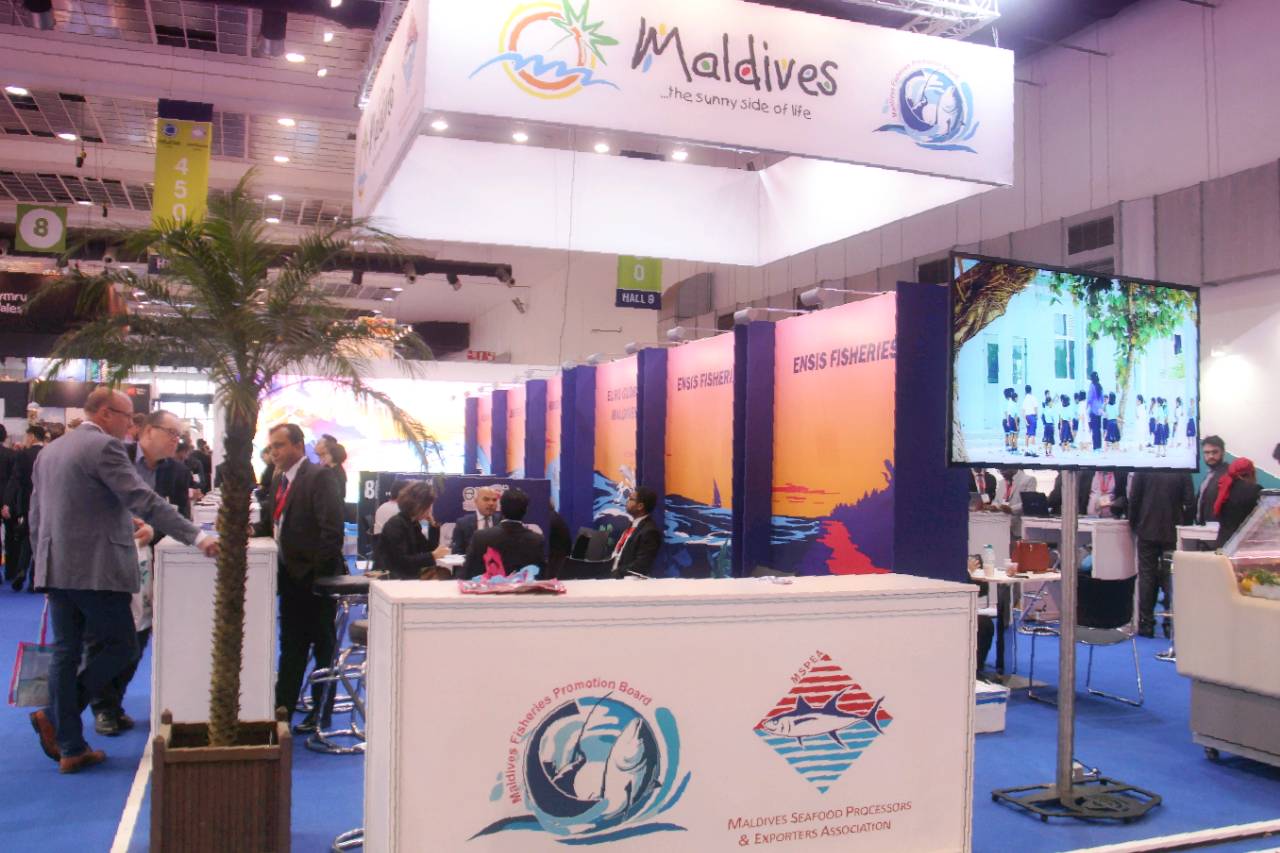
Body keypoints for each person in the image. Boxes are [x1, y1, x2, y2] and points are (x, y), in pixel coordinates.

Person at [27, 388, 218, 773]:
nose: (131, 424)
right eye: (126, 416)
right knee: (123, 646)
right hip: (96, 570)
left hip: (56, 566)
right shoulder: (105, 447)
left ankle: (71, 746)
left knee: (67, 652)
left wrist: (41, 561)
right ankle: (56, 716)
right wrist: (197, 536)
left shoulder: (50, 451)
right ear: (103, 413)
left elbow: (38, 513)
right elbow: (143, 499)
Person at [89, 409, 191, 735]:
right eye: (171, 433)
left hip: (149, 563)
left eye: (179, 435)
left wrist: (154, 532)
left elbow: (180, 517)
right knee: (107, 638)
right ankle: (102, 707)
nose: (176, 440)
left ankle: (114, 701)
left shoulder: (177, 471)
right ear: (147, 430)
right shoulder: (115, 457)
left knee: (138, 637)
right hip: (108, 560)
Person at [253, 422, 345, 734]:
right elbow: (275, 522)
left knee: (322, 647)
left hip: (315, 582)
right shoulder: (280, 478)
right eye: (271, 447)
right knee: (291, 646)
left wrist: (316, 577)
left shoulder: (319, 477)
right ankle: (282, 711)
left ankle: (321, 712)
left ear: (297, 445)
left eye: (279, 446)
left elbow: (332, 531)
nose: (274, 453)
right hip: (289, 579)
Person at [1127, 470, 1195, 638]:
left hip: (1146, 529)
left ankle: (1146, 623)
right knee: (1171, 577)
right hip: (1173, 531)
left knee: (1146, 576)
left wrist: (1134, 525)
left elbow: (1134, 500)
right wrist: (1184, 526)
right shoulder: (1182, 470)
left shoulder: (1144, 468)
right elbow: (1189, 502)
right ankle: (1169, 622)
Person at [464, 488, 547, 579]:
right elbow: (542, 576)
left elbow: (467, 573)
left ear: (501, 508)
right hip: (524, 587)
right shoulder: (537, 540)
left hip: (487, 587)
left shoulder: (480, 537)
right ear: (526, 510)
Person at [3, 424, 47, 591]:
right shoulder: (49, 453)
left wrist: (8, 502)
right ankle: (35, 578)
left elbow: (15, 479)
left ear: (32, 436)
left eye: (27, 436)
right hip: (47, 502)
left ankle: (21, 569)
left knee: (27, 536)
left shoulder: (23, 455)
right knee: (42, 539)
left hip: (27, 502)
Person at [376, 481, 449, 580]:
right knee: (442, 576)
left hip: (407, 573)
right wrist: (432, 556)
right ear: (419, 506)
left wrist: (433, 526)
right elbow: (402, 561)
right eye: (429, 506)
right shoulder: (396, 524)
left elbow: (429, 548)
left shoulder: (412, 523)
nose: (430, 510)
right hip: (393, 576)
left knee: (444, 573)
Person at [610, 487, 662, 579]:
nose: (627, 501)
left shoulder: (650, 531)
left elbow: (641, 565)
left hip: (629, 582)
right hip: (615, 577)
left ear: (640, 506)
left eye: (631, 499)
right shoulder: (633, 525)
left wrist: (615, 574)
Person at [1213, 458, 1263, 548]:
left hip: (1223, 545)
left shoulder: (1223, 489)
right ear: (1251, 473)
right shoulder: (1254, 490)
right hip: (1243, 546)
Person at [450, 486, 501, 555]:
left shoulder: (501, 522)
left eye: (494, 500)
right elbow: (456, 552)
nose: (491, 503)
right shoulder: (463, 523)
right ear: (476, 501)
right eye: (486, 499)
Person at [1194, 435, 1229, 526]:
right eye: (1207, 452)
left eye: (1215, 452)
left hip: (1217, 529)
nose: (1211, 456)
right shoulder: (1209, 475)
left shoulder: (1228, 475)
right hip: (1204, 528)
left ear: (1223, 452)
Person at [0, 425, 17, 587]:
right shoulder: (11, 455)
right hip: (8, 499)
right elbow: (15, 480)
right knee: (11, 535)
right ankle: (11, 570)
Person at [1086, 372, 1105, 451]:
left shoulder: (1092, 386)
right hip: (1099, 410)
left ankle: (1095, 447)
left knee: (1094, 429)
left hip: (1093, 410)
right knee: (1099, 429)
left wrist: (1087, 405)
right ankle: (1099, 447)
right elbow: (1102, 399)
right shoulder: (1100, 386)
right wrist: (1100, 407)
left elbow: (1089, 398)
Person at [1021, 384, 1038, 455]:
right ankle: (1033, 451)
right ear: (1031, 390)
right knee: (1033, 434)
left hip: (1027, 416)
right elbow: (1035, 407)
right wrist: (1036, 416)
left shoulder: (1025, 399)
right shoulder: (1033, 397)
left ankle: (1026, 450)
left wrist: (1025, 420)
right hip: (1032, 416)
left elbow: (1023, 411)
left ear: (1025, 391)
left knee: (1027, 434)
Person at [1041, 392, 1056, 458]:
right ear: (1049, 402)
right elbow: (1053, 419)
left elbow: (1042, 417)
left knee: (1046, 440)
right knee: (1050, 440)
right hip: (1050, 425)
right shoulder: (1051, 410)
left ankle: (1046, 452)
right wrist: (1054, 427)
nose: (1052, 403)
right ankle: (1050, 453)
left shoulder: (1044, 409)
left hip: (1046, 426)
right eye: (1051, 402)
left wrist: (1044, 423)